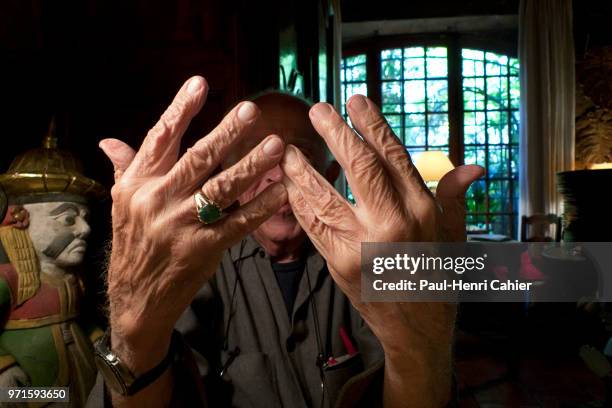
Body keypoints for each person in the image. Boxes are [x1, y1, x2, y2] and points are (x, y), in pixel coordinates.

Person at [88, 76, 483, 407]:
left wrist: (421, 349)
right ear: (230, 175)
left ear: (329, 175)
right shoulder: (195, 264)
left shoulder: (371, 264)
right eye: (255, 161)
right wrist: (133, 339)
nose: (275, 177)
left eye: (297, 158)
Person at [0, 129, 105, 407]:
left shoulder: (73, 278)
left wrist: (100, 341)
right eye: (68, 218)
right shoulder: (7, 279)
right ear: (21, 219)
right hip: (30, 389)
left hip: (82, 373)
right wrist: (4, 367)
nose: (85, 229)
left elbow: (82, 319)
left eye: (85, 218)